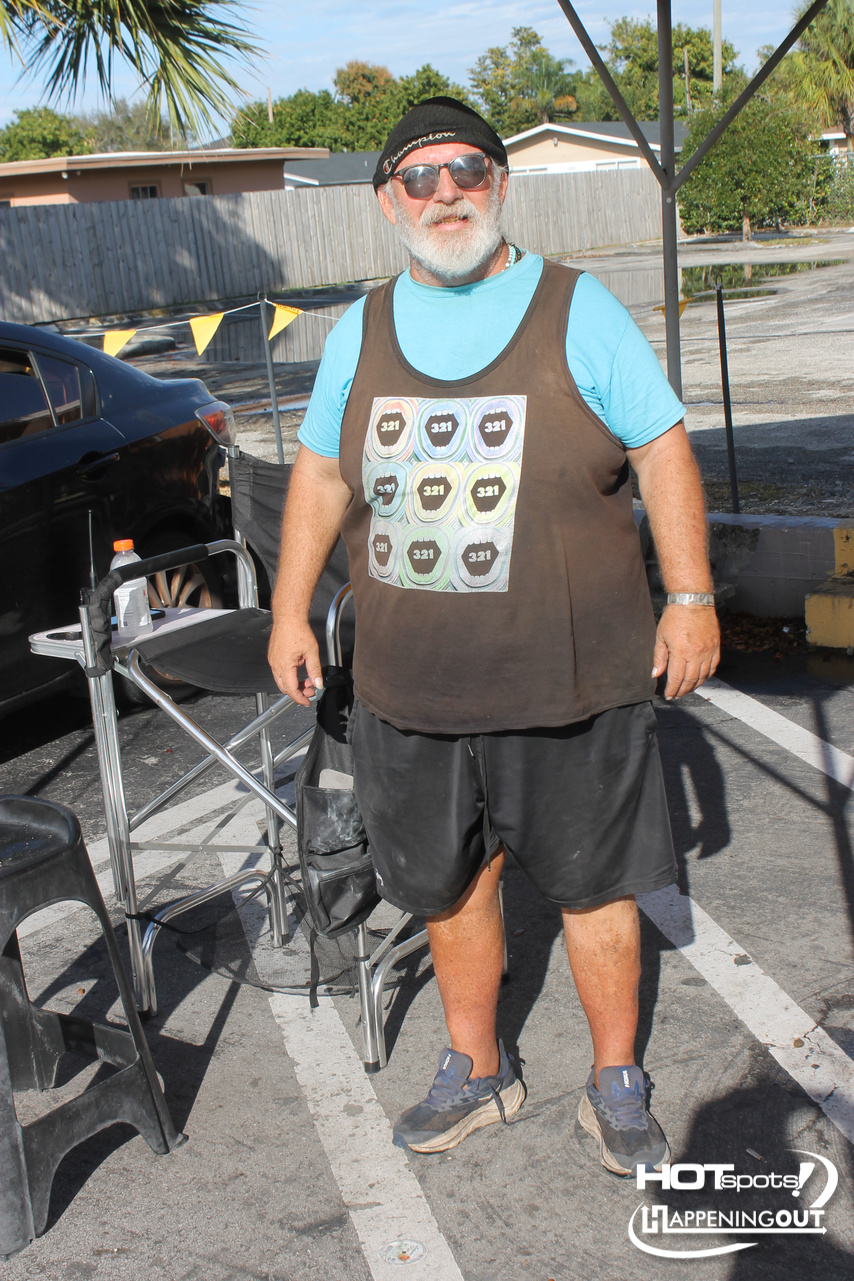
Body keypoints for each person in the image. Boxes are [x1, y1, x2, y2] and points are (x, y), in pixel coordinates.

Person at [268, 97, 720, 1174]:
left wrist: (691, 598)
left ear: (500, 182)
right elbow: (323, 472)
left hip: (570, 675)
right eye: (417, 177)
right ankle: (476, 1067)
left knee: (593, 887)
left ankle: (613, 1081)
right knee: (449, 885)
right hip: (408, 684)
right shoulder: (361, 330)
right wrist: (289, 610)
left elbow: (660, 448)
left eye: (465, 169)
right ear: (388, 200)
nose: (443, 193)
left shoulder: (574, 305)